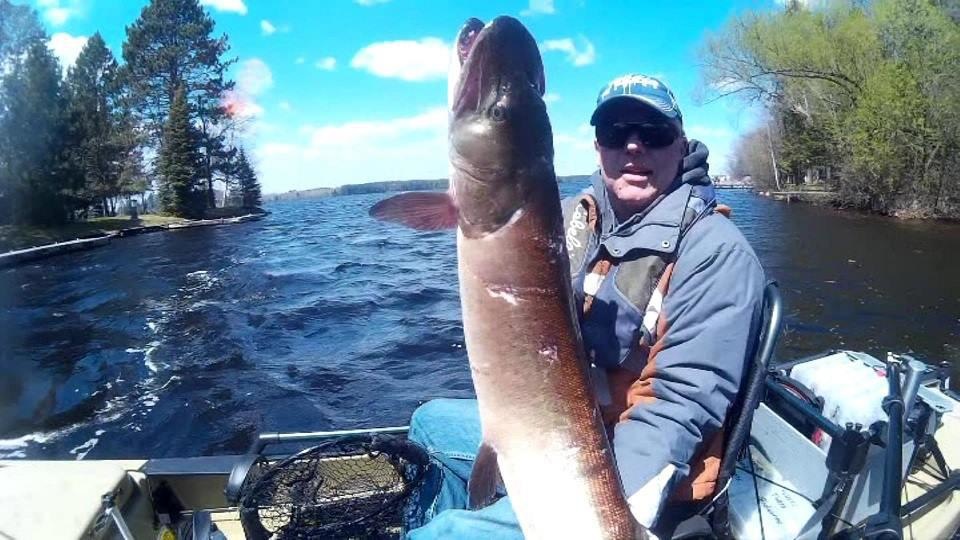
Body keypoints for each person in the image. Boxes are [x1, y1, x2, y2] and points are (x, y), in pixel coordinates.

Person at [404, 74, 766, 539]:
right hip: (567, 428)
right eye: (616, 133)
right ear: (599, 147)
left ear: (680, 144)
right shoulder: (576, 215)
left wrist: (610, 515)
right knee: (429, 422)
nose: (633, 147)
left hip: (624, 470)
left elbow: (681, 406)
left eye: (652, 133)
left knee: (443, 536)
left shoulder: (717, 253)